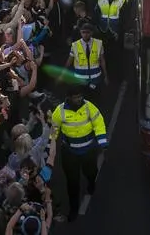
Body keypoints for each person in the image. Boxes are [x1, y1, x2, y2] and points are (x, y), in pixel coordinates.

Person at [47, 86, 108, 221]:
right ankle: (73, 210)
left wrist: (103, 143)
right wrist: (49, 145)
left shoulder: (89, 107)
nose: (79, 99)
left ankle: (91, 182)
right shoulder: (60, 111)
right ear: (69, 97)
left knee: (91, 172)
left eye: (80, 96)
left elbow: (99, 123)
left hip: (88, 151)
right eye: (76, 97)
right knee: (72, 183)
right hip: (70, 153)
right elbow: (54, 130)